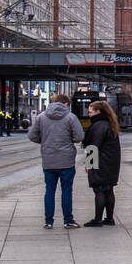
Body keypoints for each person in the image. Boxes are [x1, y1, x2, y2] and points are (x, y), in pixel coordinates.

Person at [28, 93, 85, 230]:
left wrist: (44, 141)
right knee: (66, 190)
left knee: (49, 191)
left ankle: (48, 221)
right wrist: (68, 140)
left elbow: (31, 136)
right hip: (66, 161)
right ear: (66, 104)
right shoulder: (71, 117)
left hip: (48, 160)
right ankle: (68, 220)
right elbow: (79, 136)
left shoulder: (41, 117)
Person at [83, 100, 122, 227]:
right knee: (109, 190)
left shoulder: (98, 125)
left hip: (101, 162)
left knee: (99, 190)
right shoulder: (110, 124)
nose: (88, 115)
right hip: (111, 162)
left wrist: (89, 164)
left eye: (90, 112)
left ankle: (98, 219)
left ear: (98, 112)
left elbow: (93, 146)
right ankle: (109, 218)